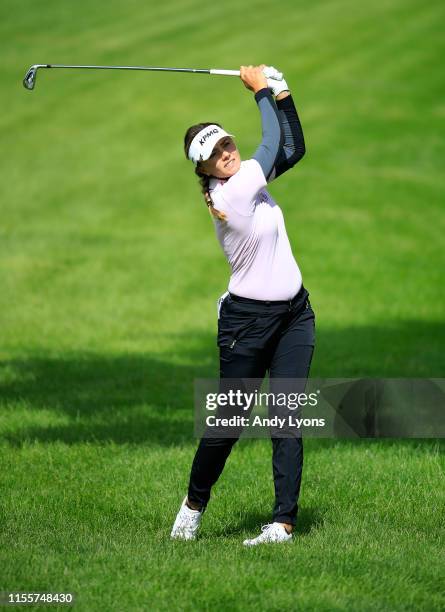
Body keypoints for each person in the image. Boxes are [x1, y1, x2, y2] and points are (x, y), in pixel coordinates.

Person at [171, 65, 315, 545]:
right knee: (229, 424)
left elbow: (294, 149)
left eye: (227, 144)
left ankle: (282, 522)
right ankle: (193, 504)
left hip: (295, 314)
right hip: (246, 325)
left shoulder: (244, 182)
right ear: (204, 169)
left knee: (286, 418)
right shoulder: (233, 192)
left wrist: (283, 92)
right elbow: (272, 141)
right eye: (215, 153)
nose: (227, 153)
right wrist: (259, 92)